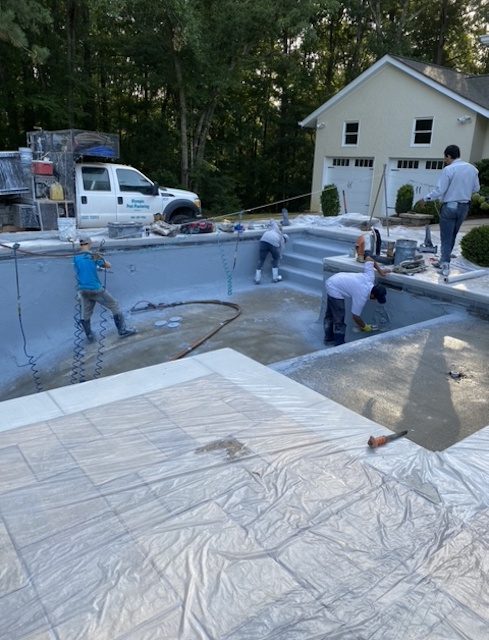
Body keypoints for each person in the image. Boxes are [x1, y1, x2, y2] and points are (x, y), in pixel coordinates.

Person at [417, 144, 480, 277]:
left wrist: (425, 198)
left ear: (449, 156)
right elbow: (476, 189)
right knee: (452, 235)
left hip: (450, 206)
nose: (444, 160)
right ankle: (443, 260)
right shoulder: (472, 169)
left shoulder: (449, 169)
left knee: (446, 236)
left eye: (445, 158)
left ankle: (445, 264)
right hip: (464, 207)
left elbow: (440, 190)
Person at [73, 236, 136, 341]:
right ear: (89, 244)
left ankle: (89, 336)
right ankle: (122, 330)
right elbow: (108, 265)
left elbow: (83, 268)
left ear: (80, 245)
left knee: (85, 313)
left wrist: (96, 267)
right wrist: (101, 258)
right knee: (114, 304)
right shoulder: (94, 255)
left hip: (83, 289)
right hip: (95, 288)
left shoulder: (75, 257)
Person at [324, 257, 390, 346]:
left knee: (331, 314)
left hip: (336, 279)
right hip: (334, 287)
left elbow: (369, 258)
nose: (375, 301)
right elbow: (355, 317)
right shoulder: (361, 296)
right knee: (339, 318)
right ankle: (339, 345)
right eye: (376, 299)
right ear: (373, 295)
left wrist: (380, 271)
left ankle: (328, 339)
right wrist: (365, 327)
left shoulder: (370, 278)